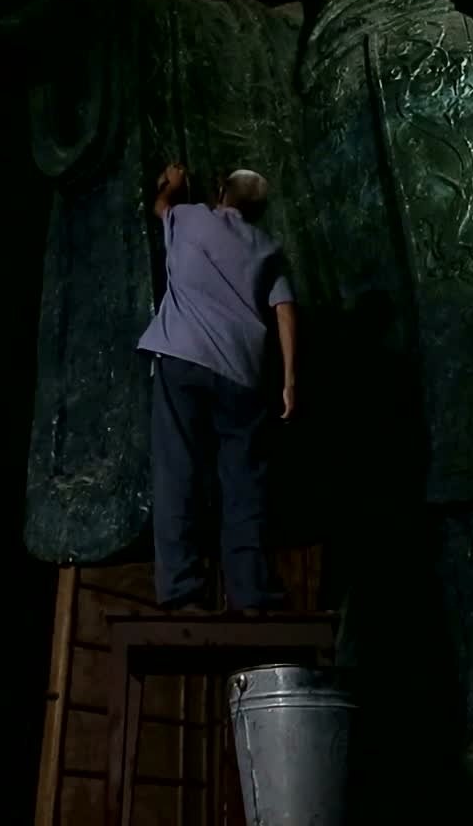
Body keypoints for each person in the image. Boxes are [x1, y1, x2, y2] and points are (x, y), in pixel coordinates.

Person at [137, 164, 298, 613]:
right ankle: (250, 594)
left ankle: (183, 591)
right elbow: (285, 310)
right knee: (244, 484)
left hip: (183, 357)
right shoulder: (267, 248)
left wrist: (172, 182)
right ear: (259, 209)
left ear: (222, 190)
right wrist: (288, 382)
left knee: (178, 472)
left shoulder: (188, 218)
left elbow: (159, 205)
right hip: (241, 373)